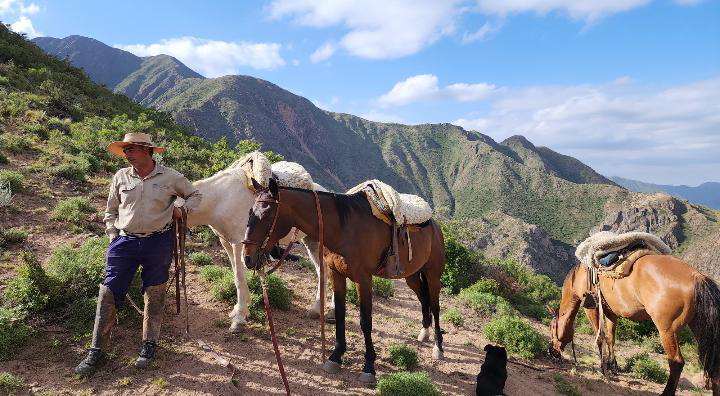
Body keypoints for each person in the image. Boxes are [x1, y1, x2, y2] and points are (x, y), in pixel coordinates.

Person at [74, 132, 201, 376]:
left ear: (146, 150)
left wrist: (181, 209)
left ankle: (149, 345)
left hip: (158, 242)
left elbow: (195, 195)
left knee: (154, 293)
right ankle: (96, 351)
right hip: (124, 242)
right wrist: (112, 234)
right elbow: (110, 209)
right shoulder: (121, 176)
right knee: (108, 292)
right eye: (125, 149)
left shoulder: (171, 176)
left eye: (131, 149)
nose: (126, 154)